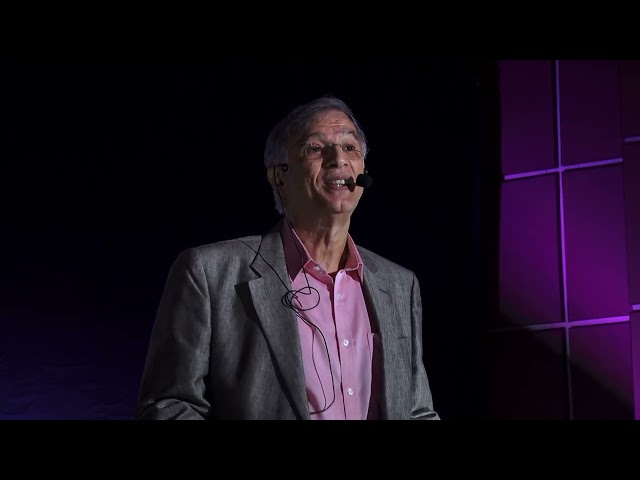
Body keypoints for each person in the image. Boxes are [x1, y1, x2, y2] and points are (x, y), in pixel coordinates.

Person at [134, 94, 440, 420]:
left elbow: (418, 412)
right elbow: (169, 406)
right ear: (278, 175)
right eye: (315, 149)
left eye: (350, 147)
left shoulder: (399, 285)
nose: (338, 159)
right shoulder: (209, 274)